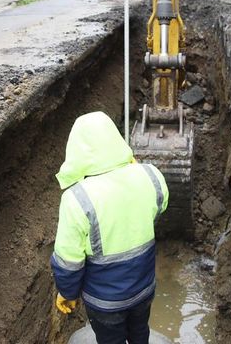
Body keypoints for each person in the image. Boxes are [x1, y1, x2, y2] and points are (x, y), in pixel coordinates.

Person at [51, 111, 169, 344]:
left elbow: (69, 261)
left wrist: (68, 293)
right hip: (144, 290)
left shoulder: (77, 199)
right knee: (139, 333)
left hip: (105, 302)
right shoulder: (151, 175)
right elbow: (160, 204)